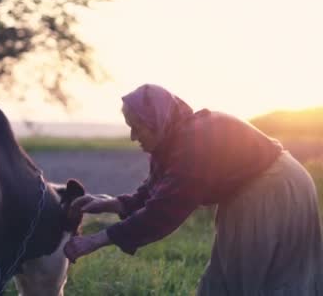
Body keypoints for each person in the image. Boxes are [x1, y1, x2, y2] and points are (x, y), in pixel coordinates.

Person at [63, 84, 323, 295]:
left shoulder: (194, 143)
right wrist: (110, 204)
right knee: (224, 280)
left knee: (255, 279)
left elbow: (163, 212)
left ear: (156, 120)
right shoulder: (175, 139)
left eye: (137, 127)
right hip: (257, 189)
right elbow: (154, 192)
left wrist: (96, 240)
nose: (133, 136)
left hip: (273, 188)